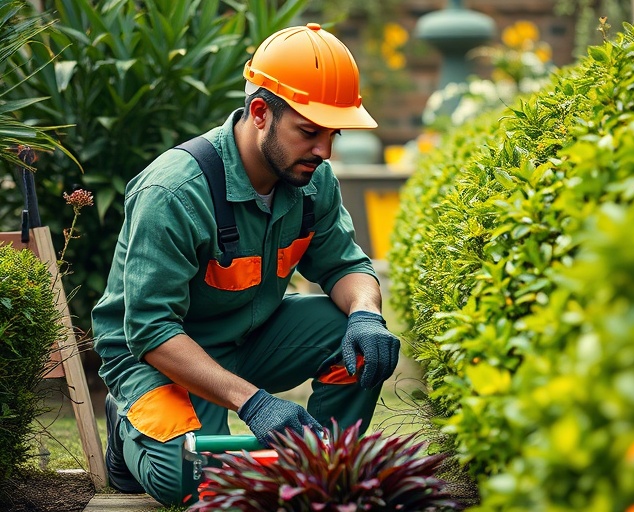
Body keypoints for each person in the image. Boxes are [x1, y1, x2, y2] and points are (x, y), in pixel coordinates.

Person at [91, 23, 401, 506]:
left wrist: (366, 312)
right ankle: (124, 426)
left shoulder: (310, 179)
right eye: (309, 131)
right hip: (162, 356)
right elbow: (150, 330)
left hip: (250, 335)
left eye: (333, 134)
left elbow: (345, 266)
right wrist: (252, 402)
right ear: (260, 113)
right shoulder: (173, 192)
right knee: (189, 481)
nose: (325, 151)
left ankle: (321, 468)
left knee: (358, 343)